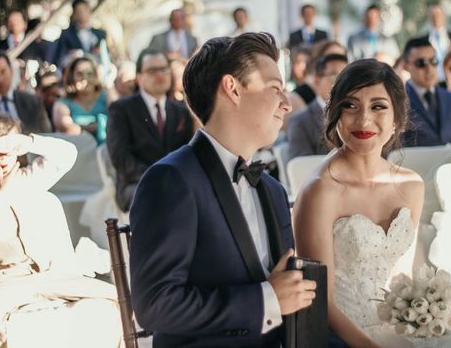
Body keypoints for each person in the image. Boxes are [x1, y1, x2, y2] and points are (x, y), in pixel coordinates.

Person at [292, 59, 451, 348]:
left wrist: (436, 303)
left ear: (396, 117)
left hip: (402, 327)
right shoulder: (320, 192)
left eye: (378, 106)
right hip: (345, 336)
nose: (363, 120)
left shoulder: (410, 186)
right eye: (350, 106)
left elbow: (402, 276)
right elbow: (321, 302)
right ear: (335, 114)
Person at [129, 32, 317, 347]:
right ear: (232, 88)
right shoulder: (171, 180)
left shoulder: (270, 188)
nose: (287, 104)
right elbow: (155, 305)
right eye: (275, 89)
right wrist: (266, 300)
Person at [0, 110, 120, 348]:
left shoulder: (30, 177)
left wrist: (28, 142)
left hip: (54, 275)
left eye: (8, 148)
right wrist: (1, 196)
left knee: (116, 300)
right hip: (4, 281)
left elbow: (67, 154)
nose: (2, 156)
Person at [106, 49, 194, 212]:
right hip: (136, 184)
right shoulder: (121, 109)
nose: (160, 75)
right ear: (138, 78)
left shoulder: (181, 111)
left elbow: (188, 151)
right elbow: (120, 158)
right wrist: (157, 177)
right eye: (152, 71)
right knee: (158, 198)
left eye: (164, 69)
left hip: (177, 182)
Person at [402, 37, 451, 160]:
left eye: (433, 61)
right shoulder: (397, 102)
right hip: (418, 172)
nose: (429, 69)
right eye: (421, 63)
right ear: (405, 66)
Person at [287, 54, 348, 162]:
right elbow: (300, 169)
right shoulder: (300, 122)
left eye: (347, 78)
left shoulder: (356, 116)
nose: (343, 84)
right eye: (335, 77)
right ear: (317, 81)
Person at [0, 51, 51, 134]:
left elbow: (47, 134)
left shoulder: (33, 102)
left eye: (3, 72)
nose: (0, 79)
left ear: (11, 71)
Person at [53, 56, 108, 145]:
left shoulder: (106, 97)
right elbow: (66, 128)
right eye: (80, 74)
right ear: (72, 77)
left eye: (90, 74)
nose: (85, 78)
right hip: (78, 152)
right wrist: (98, 126)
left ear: (96, 77)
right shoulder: (63, 104)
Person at [54, 0, 107, 66]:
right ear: (74, 14)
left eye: (85, 10)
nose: (83, 14)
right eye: (79, 11)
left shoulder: (100, 34)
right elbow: (60, 59)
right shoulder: (66, 34)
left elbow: (106, 57)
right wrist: (71, 56)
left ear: (90, 11)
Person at [423, 3, 451, 79]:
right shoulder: (424, 39)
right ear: (430, 18)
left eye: (438, 15)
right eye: (433, 16)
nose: (436, 18)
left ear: (444, 16)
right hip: (433, 79)